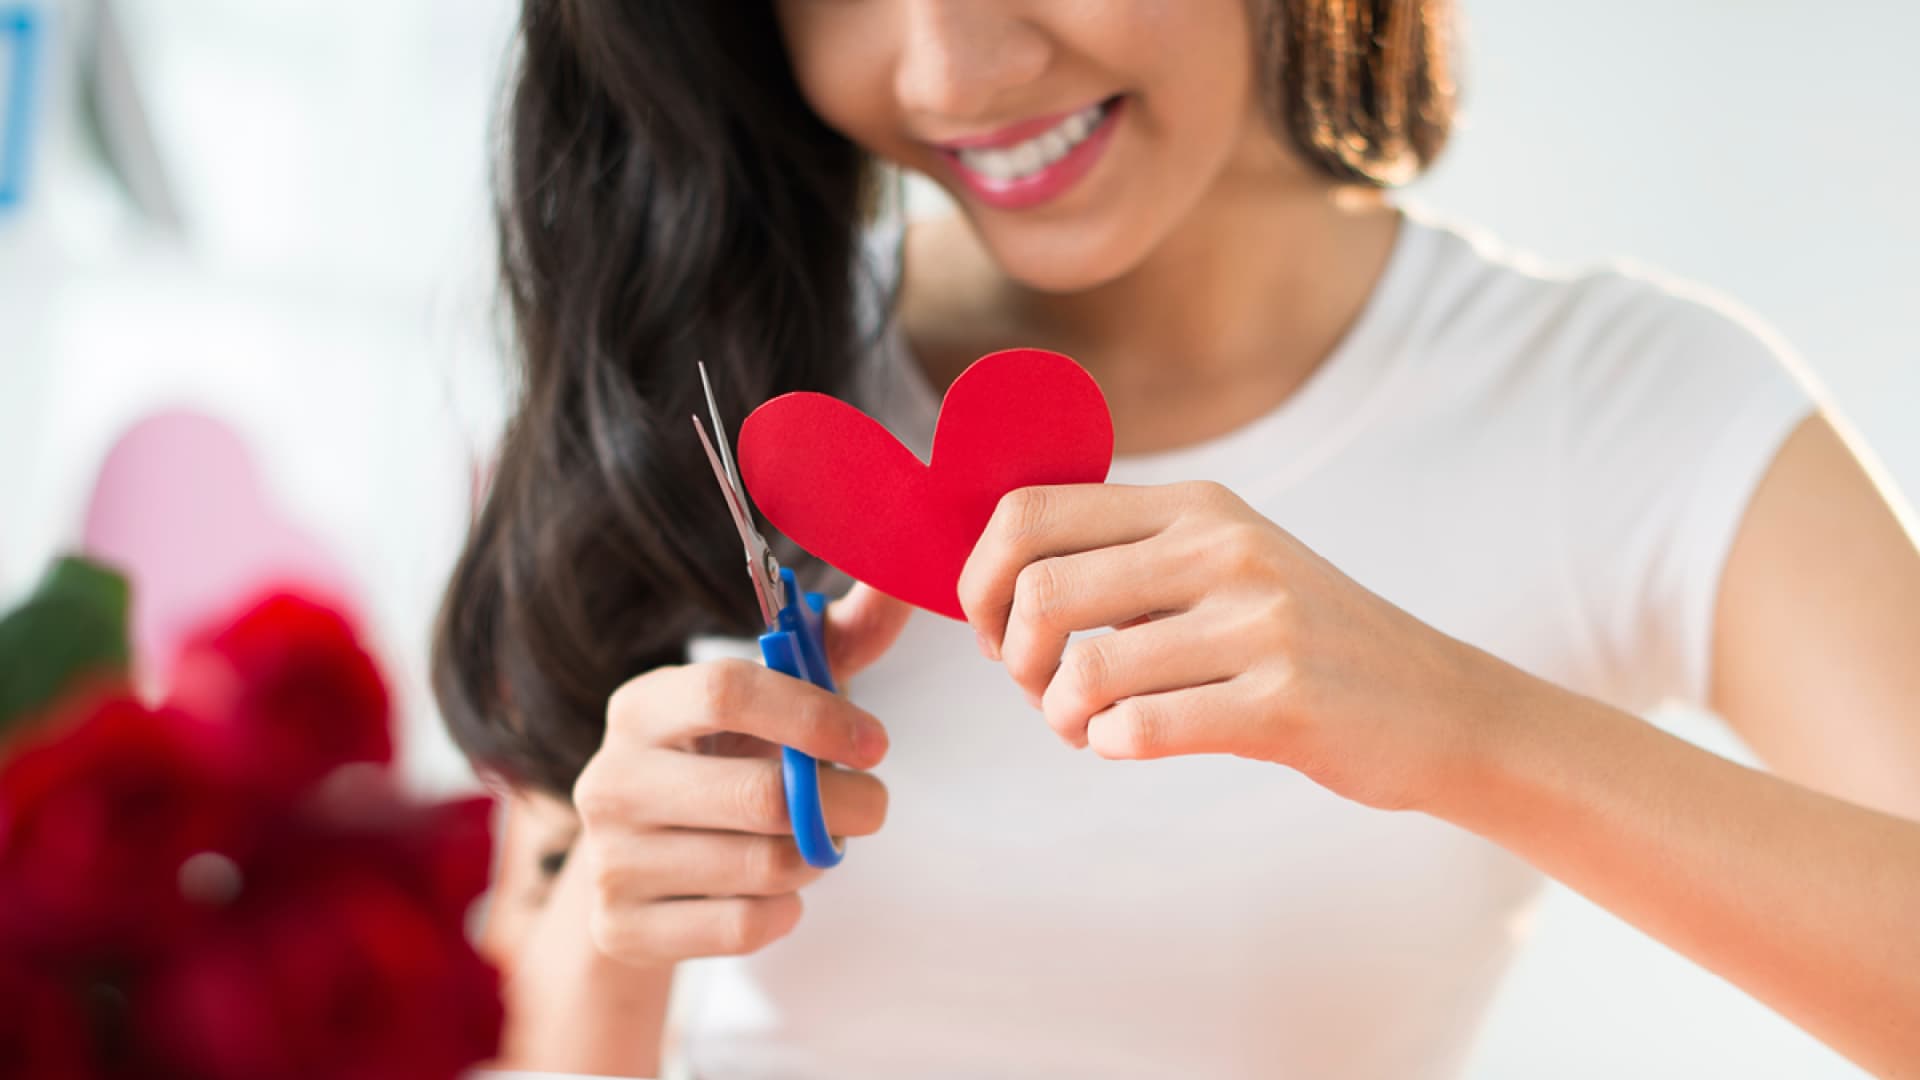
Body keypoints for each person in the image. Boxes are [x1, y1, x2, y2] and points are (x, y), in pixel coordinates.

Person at [432, 2, 1920, 1077]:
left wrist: (1461, 724)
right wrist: (616, 943)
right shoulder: (698, 378)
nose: (955, 63)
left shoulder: (1627, 409)